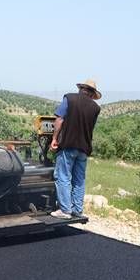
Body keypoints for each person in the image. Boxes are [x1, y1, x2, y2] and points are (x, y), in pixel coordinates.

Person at [50, 79, 101, 219]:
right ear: (92, 94)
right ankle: (77, 210)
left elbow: (59, 119)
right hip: (84, 148)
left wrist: (54, 139)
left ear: (81, 89)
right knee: (79, 179)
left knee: (63, 176)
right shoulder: (96, 108)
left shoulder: (69, 98)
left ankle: (65, 210)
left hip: (68, 145)